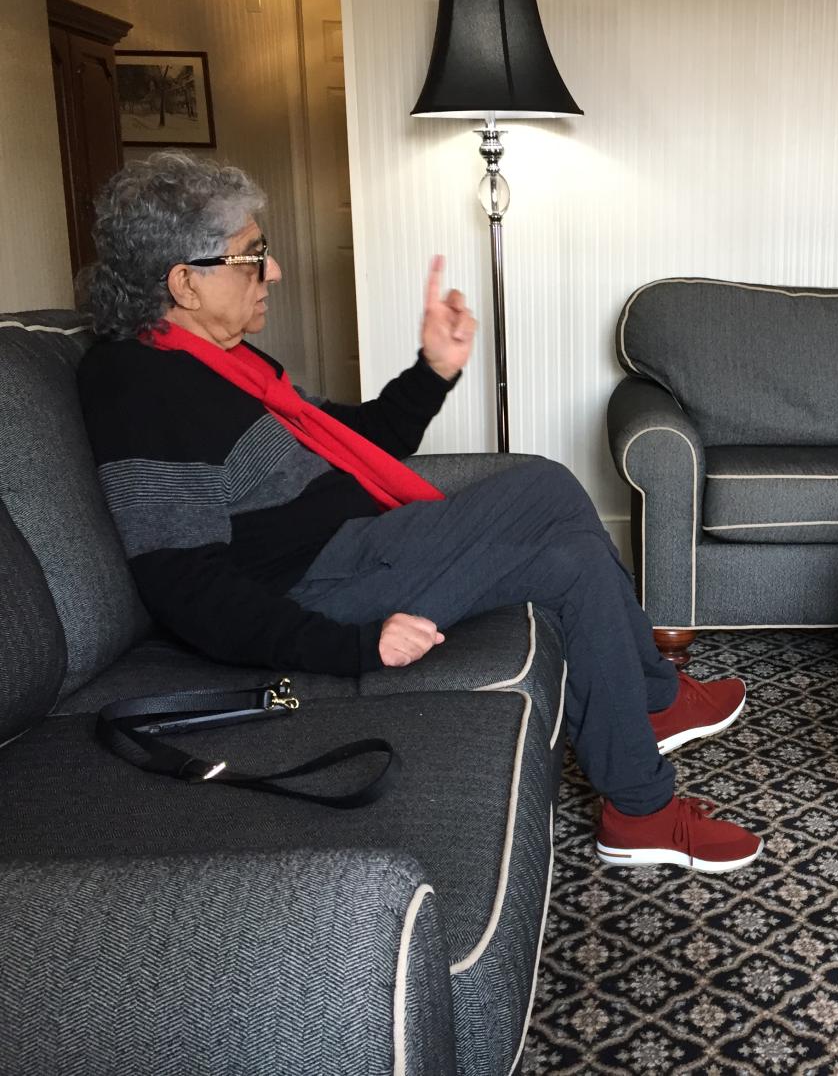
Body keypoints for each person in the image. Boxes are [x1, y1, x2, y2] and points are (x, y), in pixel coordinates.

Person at [77, 151, 761, 872]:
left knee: (561, 525)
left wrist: (431, 368)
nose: (272, 272)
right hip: (315, 586)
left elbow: (352, 443)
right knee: (555, 519)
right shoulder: (139, 388)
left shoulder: (223, 363)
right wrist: (352, 646)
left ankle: (643, 760)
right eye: (253, 257)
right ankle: (646, 758)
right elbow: (183, 583)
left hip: (357, 546)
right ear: (184, 281)